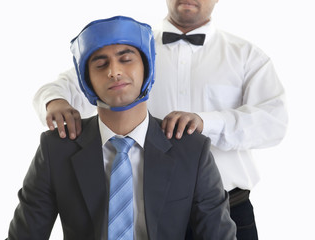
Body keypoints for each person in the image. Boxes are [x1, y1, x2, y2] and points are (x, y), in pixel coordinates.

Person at [33, 1, 288, 239]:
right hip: (148, 207)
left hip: (231, 206)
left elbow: (274, 122)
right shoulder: (132, 49)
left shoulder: (247, 55)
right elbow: (73, 81)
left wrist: (204, 123)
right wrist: (55, 101)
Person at [7, 16, 236, 239]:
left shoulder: (192, 150)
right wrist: (54, 100)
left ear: (147, 67)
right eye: (100, 64)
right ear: (86, 80)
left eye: (126, 60)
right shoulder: (55, 149)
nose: (114, 71)